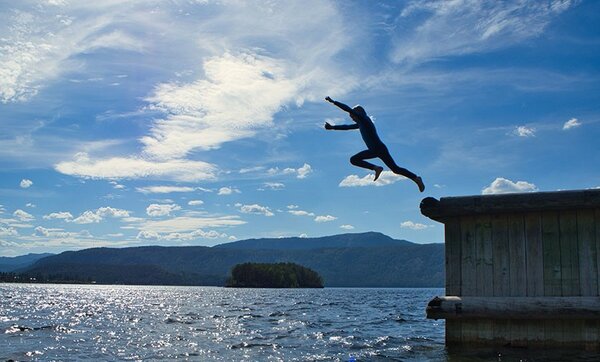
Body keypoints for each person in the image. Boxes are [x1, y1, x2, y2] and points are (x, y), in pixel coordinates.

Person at [324, 96, 425, 192]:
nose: (352, 119)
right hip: (374, 150)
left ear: (357, 114)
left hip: (379, 149)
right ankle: (376, 168)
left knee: (395, 169)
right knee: (354, 160)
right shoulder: (361, 124)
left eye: (353, 116)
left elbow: (348, 109)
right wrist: (333, 127)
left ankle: (416, 178)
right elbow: (346, 127)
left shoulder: (365, 120)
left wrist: (333, 102)